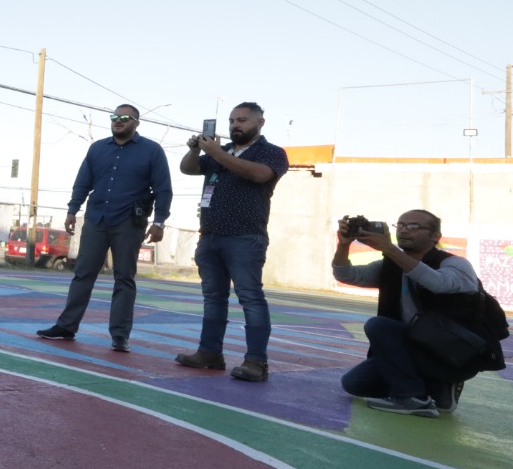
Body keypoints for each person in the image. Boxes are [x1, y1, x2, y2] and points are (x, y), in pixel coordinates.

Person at [333, 211, 506, 416]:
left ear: (435, 236)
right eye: (401, 225)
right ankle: (433, 387)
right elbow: (348, 275)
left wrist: (389, 248)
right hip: (413, 347)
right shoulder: (392, 264)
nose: (405, 230)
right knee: (355, 384)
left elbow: (437, 283)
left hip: (455, 350)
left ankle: (413, 398)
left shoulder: (455, 264)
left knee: (378, 325)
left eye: (414, 226)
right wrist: (343, 245)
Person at [37, 105, 173, 351]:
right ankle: (67, 326)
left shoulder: (152, 151)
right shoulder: (97, 149)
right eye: (114, 118)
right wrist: (72, 210)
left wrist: (159, 221)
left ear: (136, 123)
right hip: (96, 220)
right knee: (83, 273)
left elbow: (163, 189)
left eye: (124, 118)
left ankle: (120, 335)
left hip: (129, 223)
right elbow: (83, 182)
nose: (118, 121)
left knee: (124, 278)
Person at [174, 102, 290, 381]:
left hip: (245, 237)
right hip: (211, 235)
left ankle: (256, 362)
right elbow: (188, 169)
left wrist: (215, 152)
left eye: (242, 120)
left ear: (260, 122)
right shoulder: (221, 151)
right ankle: (209, 353)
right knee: (213, 298)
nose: (235, 125)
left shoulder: (272, 153)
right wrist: (196, 150)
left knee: (250, 298)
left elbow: (258, 175)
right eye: (232, 121)